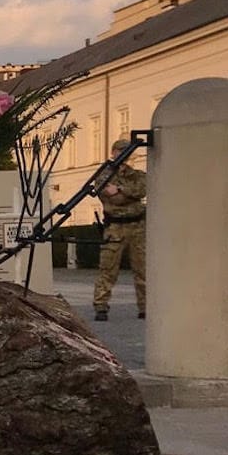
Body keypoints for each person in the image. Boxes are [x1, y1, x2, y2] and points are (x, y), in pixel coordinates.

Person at [92, 136, 146, 321]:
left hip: (138, 226)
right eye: (121, 151)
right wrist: (127, 194)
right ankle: (101, 306)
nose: (125, 155)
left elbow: (142, 189)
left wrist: (120, 189)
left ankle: (145, 306)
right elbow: (111, 198)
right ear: (113, 153)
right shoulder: (104, 175)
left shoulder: (137, 174)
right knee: (108, 269)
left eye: (127, 151)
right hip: (115, 227)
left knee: (143, 269)